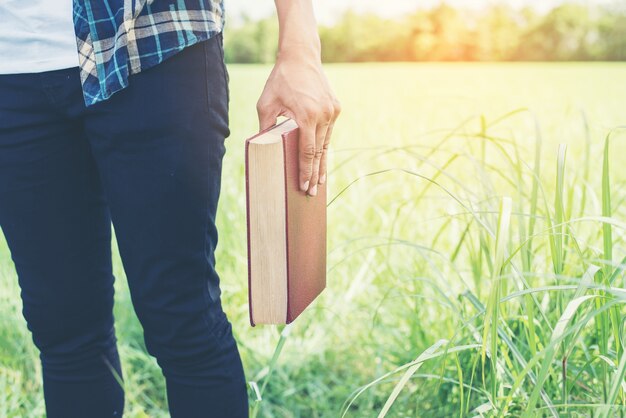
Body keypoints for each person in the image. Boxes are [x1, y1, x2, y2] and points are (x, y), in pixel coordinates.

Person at [0, 0, 340, 416]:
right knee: (63, 328)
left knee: (183, 318)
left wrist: (300, 48)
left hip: (156, 43)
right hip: (10, 72)